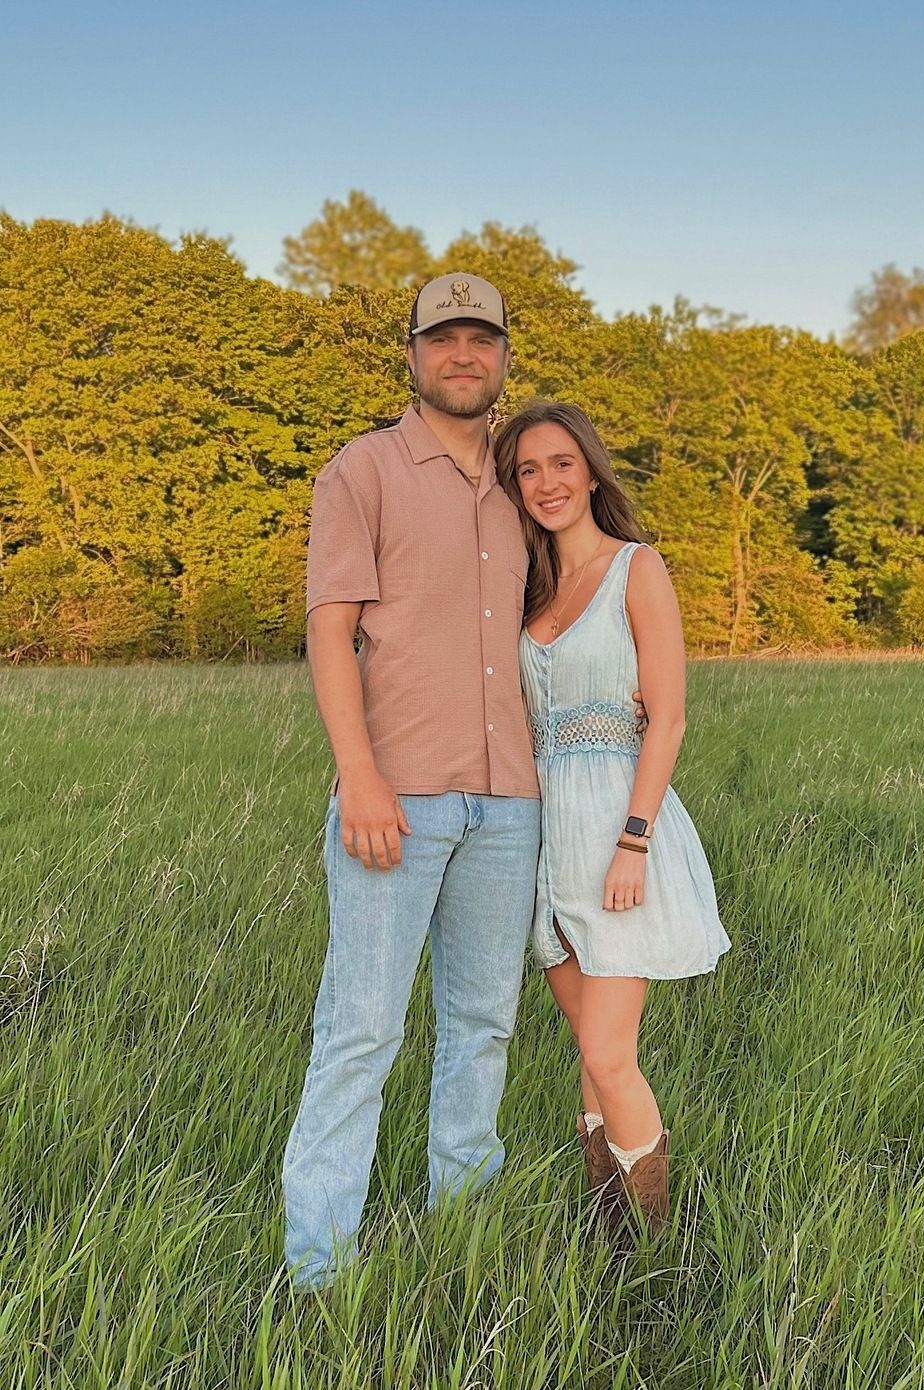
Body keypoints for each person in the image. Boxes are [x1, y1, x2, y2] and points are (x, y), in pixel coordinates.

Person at [281, 273, 544, 1288]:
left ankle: (464, 1233)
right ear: (413, 354)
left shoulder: (525, 483)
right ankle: (319, 1271)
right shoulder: (365, 470)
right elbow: (330, 629)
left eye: (481, 338)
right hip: (396, 797)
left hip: (509, 803)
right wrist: (359, 775)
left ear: (505, 356)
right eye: (443, 338)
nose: (462, 355)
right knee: (361, 1031)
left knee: (483, 1025)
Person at [494, 400, 731, 1230]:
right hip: (544, 835)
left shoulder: (637, 568)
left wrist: (634, 840)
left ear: (591, 472)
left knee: (608, 1050)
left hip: (616, 829)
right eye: (527, 470)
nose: (546, 482)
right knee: (584, 1043)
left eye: (562, 463)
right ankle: (607, 1224)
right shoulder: (526, 588)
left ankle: (656, 1242)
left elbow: (667, 717)